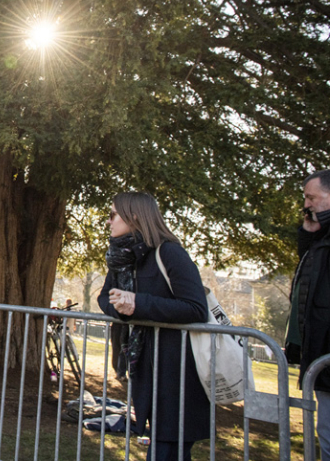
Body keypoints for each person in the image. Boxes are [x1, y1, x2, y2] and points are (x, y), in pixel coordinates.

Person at [97, 192, 209, 461]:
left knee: (169, 447)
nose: (109, 222)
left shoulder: (170, 253)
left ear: (134, 217)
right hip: (145, 365)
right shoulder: (122, 259)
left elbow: (196, 308)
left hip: (178, 370)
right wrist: (122, 310)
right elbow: (104, 298)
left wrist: (139, 304)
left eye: (113, 215)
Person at [284, 169, 330, 461]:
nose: (306, 205)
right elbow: (310, 277)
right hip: (328, 357)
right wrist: (308, 234)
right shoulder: (327, 232)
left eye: (311, 198)